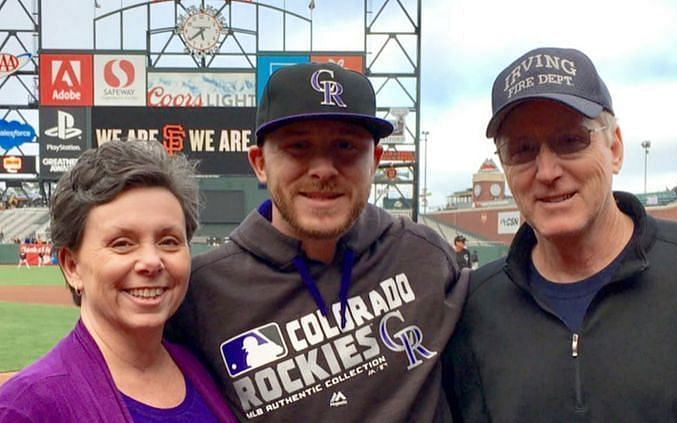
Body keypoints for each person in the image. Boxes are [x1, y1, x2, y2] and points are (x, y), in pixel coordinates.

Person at [166, 62, 468, 422]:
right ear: (259, 163)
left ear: (375, 161)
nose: (323, 169)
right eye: (298, 146)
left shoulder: (423, 255)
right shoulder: (201, 292)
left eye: (345, 145)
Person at [442, 47, 677, 421]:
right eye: (523, 149)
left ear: (616, 148)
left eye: (571, 141)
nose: (546, 171)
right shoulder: (471, 309)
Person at [0, 140, 236, 422]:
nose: (151, 261)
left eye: (169, 241)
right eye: (122, 243)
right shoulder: (27, 407)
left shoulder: (206, 369)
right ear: (72, 266)